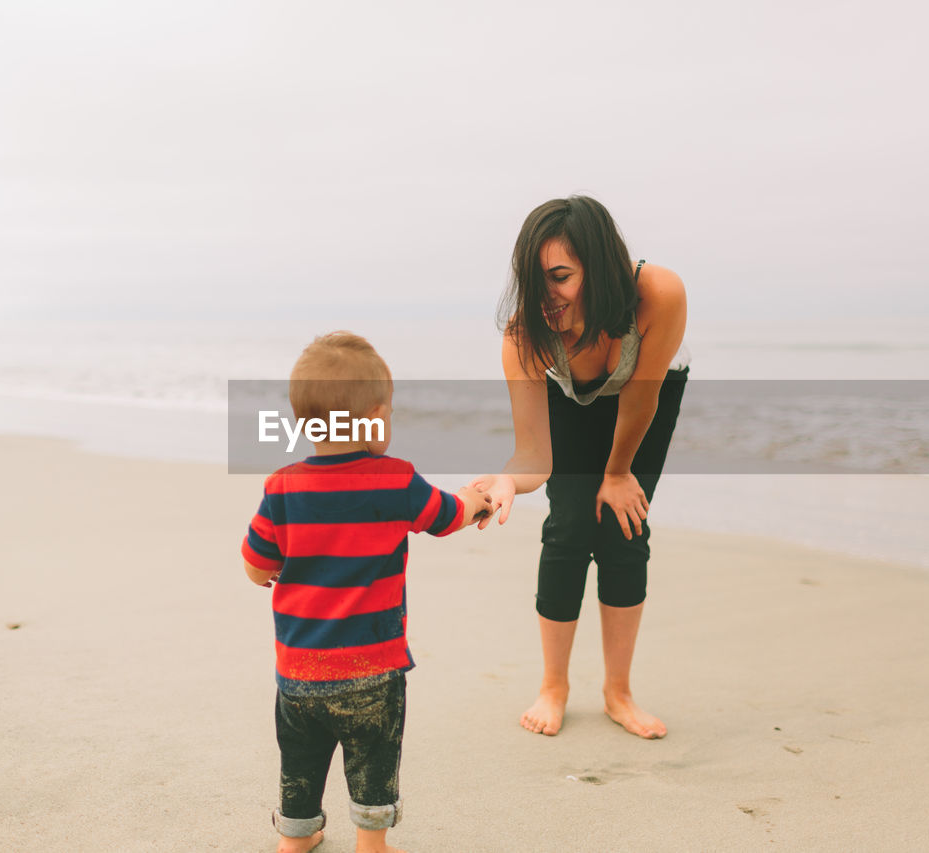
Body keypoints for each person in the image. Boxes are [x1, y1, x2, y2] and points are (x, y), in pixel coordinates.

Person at [242, 332, 491, 853]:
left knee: (301, 758)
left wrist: (271, 570)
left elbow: (255, 563)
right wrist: (476, 499)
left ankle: (297, 838)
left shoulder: (282, 486)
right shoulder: (395, 480)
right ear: (376, 417)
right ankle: (371, 844)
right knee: (373, 756)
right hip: (372, 670)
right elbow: (448, 517)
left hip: (299, 671)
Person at [471, 196, 689, 739]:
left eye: (561, 276)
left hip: (642, 402)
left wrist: (617, 474)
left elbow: (641, 400)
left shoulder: (658, 293)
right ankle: (554, 686)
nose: (548, 295)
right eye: (535, 279)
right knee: (568, 524)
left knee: (624, 527)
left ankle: (619, 692)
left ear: (599, 265)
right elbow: (533, 455)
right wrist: (506, 481)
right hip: (571, 399)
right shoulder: (525, 335)